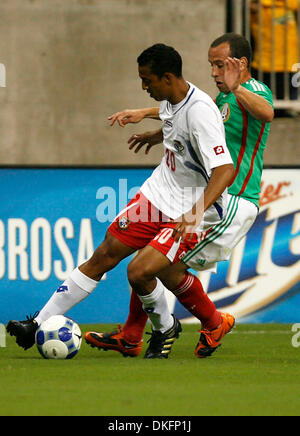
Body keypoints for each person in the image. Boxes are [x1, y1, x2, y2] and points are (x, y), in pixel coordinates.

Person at [7, 43, 235, 359]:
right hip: (157, 194)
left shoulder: (201, 113)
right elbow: (174, 119)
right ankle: (37, 324)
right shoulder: (173, 98)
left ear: (167, 77)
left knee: (140, 271)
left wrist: (194, 212)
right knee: (104, 254)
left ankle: (165, 328)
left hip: (189, 207)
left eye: (147, 80)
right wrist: (153, 130)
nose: (143, 87)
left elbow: (225, 169)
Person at [87, 32, 274, 358]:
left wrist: (237, 87)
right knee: (151, 261)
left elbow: (267, 113)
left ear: (241, 64)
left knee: (151, 265)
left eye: (219, 65)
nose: (214, 73)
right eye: (211, 66)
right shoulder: (222, 100)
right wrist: (152, 126)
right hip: (208, 196)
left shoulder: (252, 91)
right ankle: (140, 334)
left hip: (232, 201)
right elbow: (188, 118)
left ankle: (205, 323)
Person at [250, 0, 299, 107]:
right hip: (266, 65)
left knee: (287, 104)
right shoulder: (259, 6)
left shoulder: (291, 5)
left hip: (288, 63)